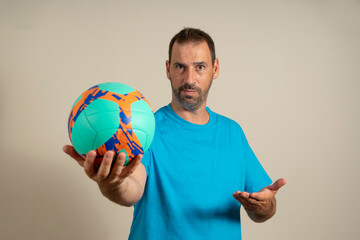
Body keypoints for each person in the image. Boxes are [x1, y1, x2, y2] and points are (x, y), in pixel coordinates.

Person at [63, 27, 286, 240]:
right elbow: (131, 190)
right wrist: (112, 184)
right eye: (180, 67)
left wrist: (264, 206)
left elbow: (265, 207)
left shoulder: (233, 132)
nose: (189, 79)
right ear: (168, 68)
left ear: (215, 68)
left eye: (200, 67)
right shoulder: (144, 130)